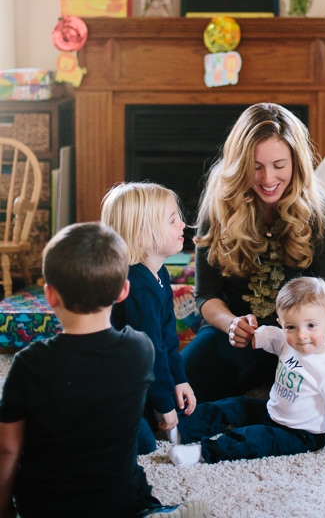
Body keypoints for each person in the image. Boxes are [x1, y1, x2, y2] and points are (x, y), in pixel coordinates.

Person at [0, 222, 209, 518]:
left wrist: (4, 508)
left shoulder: (28, 363)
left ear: (49, 295)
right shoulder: (140, 350)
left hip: (45, 506)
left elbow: (8, 448)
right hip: (118, 500)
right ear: (123, 290)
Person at [181, 102, 325, 425]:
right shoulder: (218, 207)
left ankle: (250, 405)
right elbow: (206, 297)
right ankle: (263, 397)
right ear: (239, 165)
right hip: (237, 336)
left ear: (296, 163)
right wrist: (231, 324)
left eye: (279, 165)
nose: (268, 179)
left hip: (303, 338)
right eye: (256, 167)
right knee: (174, 396)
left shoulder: (323, 215)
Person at [169, 277, 325, 467]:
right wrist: (254, 333)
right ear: (281, 324)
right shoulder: (287, 341)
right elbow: (274, 337)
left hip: (302, 433)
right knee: (234, 406)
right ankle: (182, 428)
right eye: (291, 327)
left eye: (311, 326)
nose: (301, 335)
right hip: (273, 411)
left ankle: (201, 453)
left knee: (252, 439)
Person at [101, 182, 196, 454]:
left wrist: (179, 380)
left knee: (184, 410)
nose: (183, 225)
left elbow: (167, 339)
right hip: (116, 387)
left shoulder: (161, 274)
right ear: (142, 236)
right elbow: (150, 353)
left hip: (139, 379)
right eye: (172, 220)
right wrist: (164, 405)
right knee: (144, 443)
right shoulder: (137, 288)